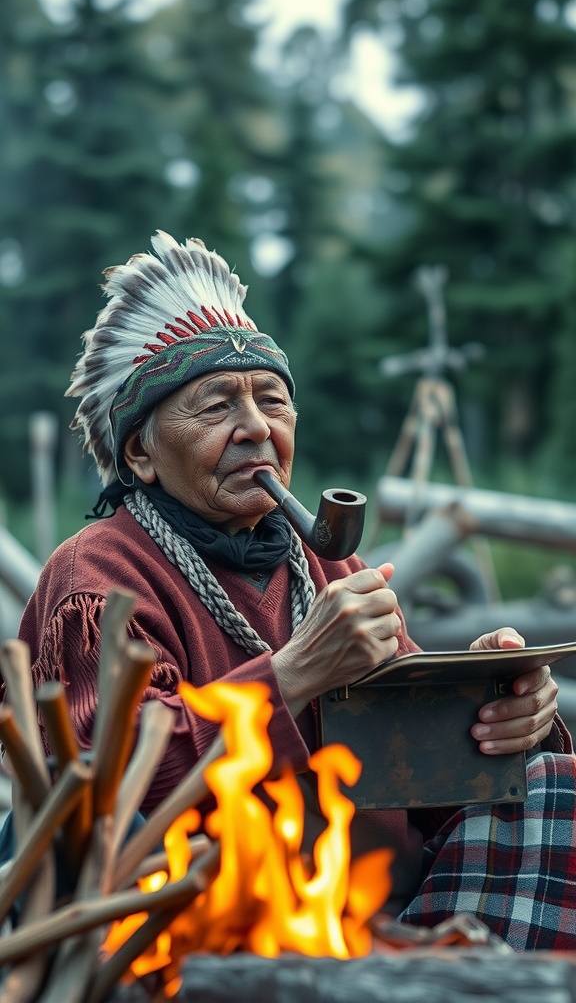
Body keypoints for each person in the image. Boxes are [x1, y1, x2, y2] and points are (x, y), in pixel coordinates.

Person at [14, 231, 576, 948]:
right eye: (216, 407)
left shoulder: (332, 571)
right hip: (194, 926)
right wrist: (297, 672)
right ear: (140, 453)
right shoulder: (97, 581)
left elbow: (420, 785)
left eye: (273, 402)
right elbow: (110, 795)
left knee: (558, 791)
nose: (256, 428)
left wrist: (500, 713)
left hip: (360, 909)